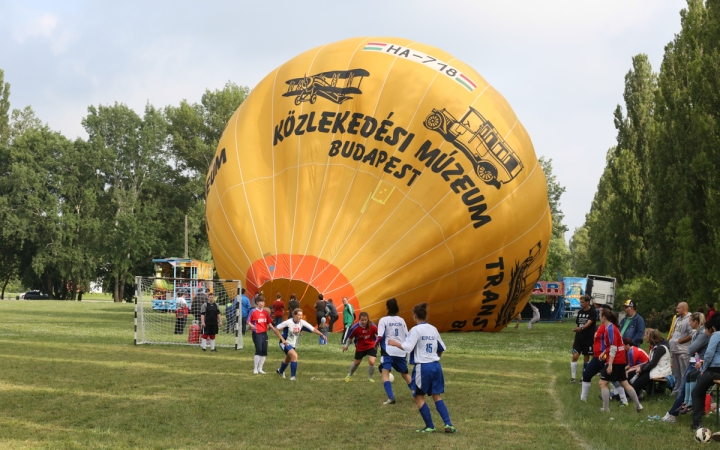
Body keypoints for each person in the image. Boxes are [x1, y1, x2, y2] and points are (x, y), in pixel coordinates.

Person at [387, 302, 457, 433]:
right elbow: (441, 348)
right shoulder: (433, 329)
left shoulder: (415, 330)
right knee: (437, 396)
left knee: (418, 397)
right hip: (436, 366)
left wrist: (394, 343)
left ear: (414, 316)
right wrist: (434, 358)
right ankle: (449, 425)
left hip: (423, 368)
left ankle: (430, 426)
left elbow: (407, 347)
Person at [662, 312, 709, 422]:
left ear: (695, 322)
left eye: (690, 321)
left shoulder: (702, 333)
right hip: (695, 361)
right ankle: (696, 410)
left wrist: (691, 348)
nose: (689, 323)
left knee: (683, 389)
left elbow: (691, 349)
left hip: (696, 363)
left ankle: (672, 414)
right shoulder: (698, 332)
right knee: (688, 388)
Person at [596, 309, 643, 413]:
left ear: (604, 317)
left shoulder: (610, 329)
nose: (599, 316)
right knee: (625, 384)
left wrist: (610, 365)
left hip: (616, 360)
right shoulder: (611, 328)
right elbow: (613, 345)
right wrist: (604, 352)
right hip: (621, 359)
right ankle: (638, 406)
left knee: (602, 383)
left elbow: (613, 347)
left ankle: (606, 408)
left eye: (600, 315)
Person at [376, 298, 412, 405]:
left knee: (385, 374)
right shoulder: (401, 320)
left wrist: (375, 344)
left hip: (388, 351)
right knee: (405, 374)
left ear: (387, 307)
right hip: (401, 351)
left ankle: (391, 398)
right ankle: (415, 392)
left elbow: (380, 336)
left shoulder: (383, 320)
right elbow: (407, 335)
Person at [275, 307, 324, 380]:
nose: (300, 317)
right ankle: (293, 377)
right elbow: (276, 329)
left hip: (293, 344)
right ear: (294, 315)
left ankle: (280, 371)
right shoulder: (288, 322)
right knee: (294, 356)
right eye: (298, 315)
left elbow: (313, 329)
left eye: (301, 315)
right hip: (285, 343)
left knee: (288, 359)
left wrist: (322, 335)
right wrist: (283, 340)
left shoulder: (302, 322)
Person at [690, 315, 720, 431]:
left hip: (714, 370)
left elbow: (709, 353)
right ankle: (701, 411)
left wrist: (703, 369)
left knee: (696, 392)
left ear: (713, 326)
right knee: (701, 388)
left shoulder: (716, 335)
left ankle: (697, 422)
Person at [247, 296, 284, 374]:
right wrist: (252, 326)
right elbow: (248, 321)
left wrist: (274, 329)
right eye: (260, 302)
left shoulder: (265, 312)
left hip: (264, 333)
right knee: (259, 350)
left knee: (264, 351)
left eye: (263, 302)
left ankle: (260, 368)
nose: (262, 303)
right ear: (257, 302)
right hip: (257, 333)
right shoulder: (253, 311)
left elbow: (269, 322)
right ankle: (255, 368)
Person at [629, 329, 671, 396]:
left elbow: (652, 363)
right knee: (630, 374)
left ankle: (622, 396)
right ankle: (634, 394)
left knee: (637, 383)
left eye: (646, 335)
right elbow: (650, 362)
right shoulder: (656, 347)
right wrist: (640, 368)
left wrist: (641, 369)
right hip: (655, 369)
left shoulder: (660, 348)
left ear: (651, 337)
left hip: (660, 371)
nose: (644, 337)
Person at [580, 305, 606, 401]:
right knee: (587, 375)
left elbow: (612, 344)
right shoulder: (601, 326)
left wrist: (605, 355)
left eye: (600, 313)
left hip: (603, 357)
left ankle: (623, 399)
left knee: (615, 380)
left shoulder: (609, 327)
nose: (598, 315)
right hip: (597, 356)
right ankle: (583, 399)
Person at [342, 312, 378, 382]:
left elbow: (379, 334)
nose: (364, 321)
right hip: (360, 347)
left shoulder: (372, 325)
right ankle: (350, 375)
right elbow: (350, 338)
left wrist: (378, 342)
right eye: (362, 320)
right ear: (359, 319)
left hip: (371, 345)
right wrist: (346, 346)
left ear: (368, 319)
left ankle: (370, 378)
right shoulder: (355, 328)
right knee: (356, 363)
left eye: (365, 320)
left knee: (372, 362)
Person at [669, 302, 693, 395]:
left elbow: (692, 334)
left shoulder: (690, 319)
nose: (676, 310)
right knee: (676, 372)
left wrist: (680, 341)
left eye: (678, 308)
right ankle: (677, 389)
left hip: (683, 350)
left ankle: (684, 391)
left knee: (684, 372)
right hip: (674, 349)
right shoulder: (678, 319)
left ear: (684, 309)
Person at [572, 295, 597, 383]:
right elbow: (578, 325)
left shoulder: (592, 312)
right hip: (579, 338)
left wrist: (581, 328)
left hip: (588, 339)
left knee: (586, 358)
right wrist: (575, 339)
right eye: (580, 302)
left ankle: (583, 377)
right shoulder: (580, 312)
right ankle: (573, 378)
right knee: (575, 356)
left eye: (582, 302)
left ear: (587, 302)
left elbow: (589, 323)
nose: (581, 304)